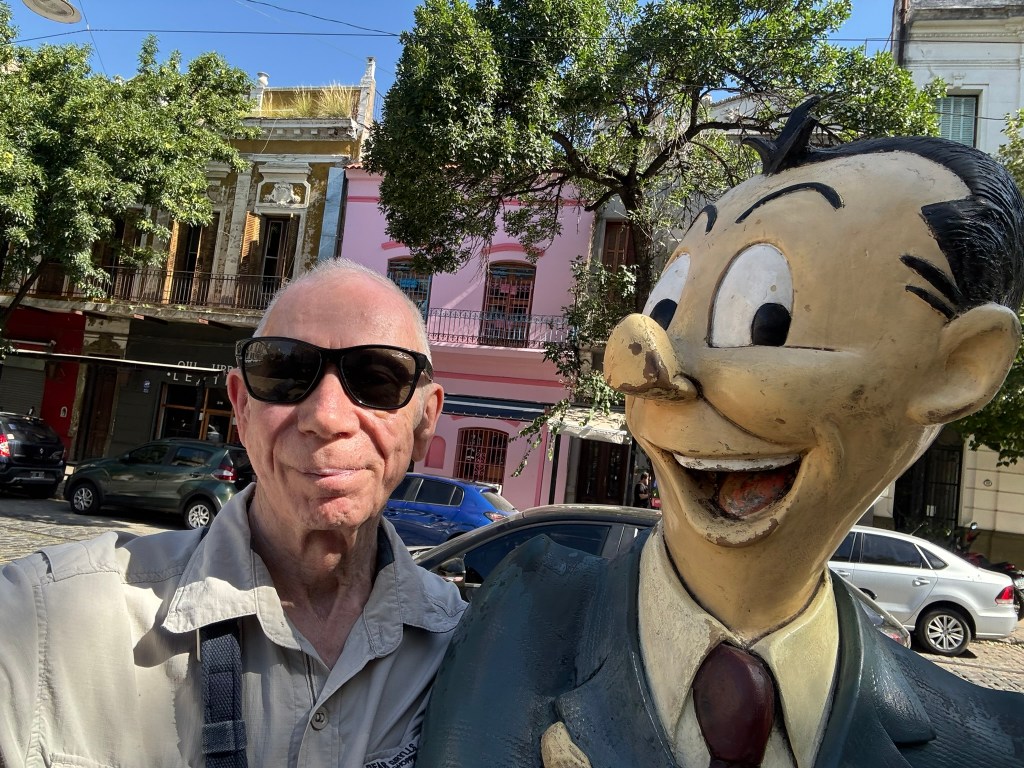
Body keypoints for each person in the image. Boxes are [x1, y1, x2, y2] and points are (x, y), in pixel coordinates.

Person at [415, 99, 1024, 767]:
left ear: (959, 369)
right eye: (666, 310)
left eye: (767, 320)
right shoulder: (521, 612)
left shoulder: (989, 743)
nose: (650, 368)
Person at [0, 259, 466, 767]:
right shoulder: (44, 621)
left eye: (377, 379)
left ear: (425, 422)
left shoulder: (470, 648)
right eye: (285, 373)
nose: (326, 416)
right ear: (241, 408)